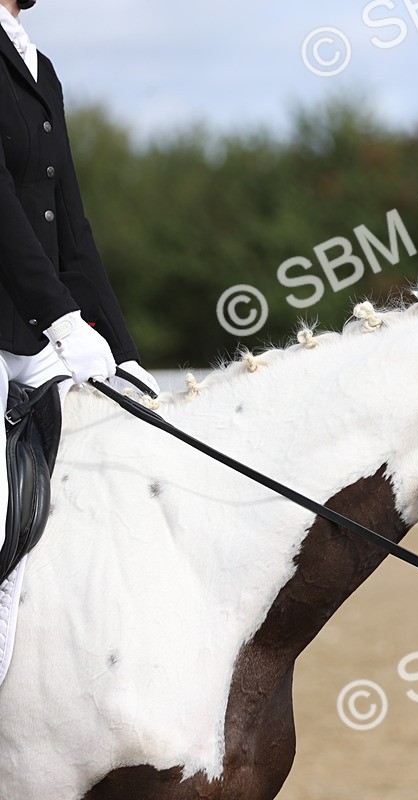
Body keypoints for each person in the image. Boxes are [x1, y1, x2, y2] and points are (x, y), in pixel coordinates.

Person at [0, 0, 157, 679]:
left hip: (25, 337)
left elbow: (68, 223)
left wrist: (119, 347)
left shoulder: (40, 67)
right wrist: (63, 319)